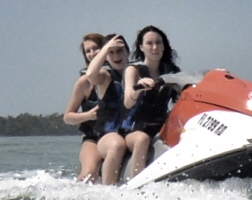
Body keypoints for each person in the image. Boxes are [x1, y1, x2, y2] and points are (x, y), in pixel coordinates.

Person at [124, 25, 181, 177]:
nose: (155, 47)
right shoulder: (133, 70)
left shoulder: (173, 72)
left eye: (159, 42)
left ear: (164, 46)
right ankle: (136, 183)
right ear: (141, 47)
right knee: (142, 139)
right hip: (134, 130)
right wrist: (138, 88)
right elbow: (127, 103)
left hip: (162, 127)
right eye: (149, 43)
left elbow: (182, 97)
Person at [81, 34, 136, 185]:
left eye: (120, 51)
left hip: (130, 132)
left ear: (127, 52)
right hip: (107, 136)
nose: (116, 56)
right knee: (116, 144)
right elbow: (91, 75)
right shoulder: (105, 76)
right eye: (111, 52)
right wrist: (105, 48)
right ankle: (108, 190)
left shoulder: (137, 72)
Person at [62, 33, 106, 182]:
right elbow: (68, 117)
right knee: (89, 173)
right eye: (88, 51)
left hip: (117, 137)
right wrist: (88, 115)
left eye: (96, 48)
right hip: (93, 139)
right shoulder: (84, 82)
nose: (92, 53)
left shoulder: (123, 75)